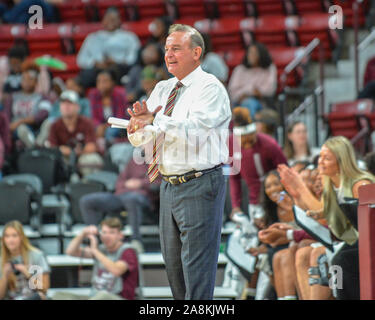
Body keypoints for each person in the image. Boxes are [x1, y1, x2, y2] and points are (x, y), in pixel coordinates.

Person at [126, 24, 231, 300]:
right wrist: (136, 130)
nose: (168, 55)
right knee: (175, 273)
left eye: (176, 48)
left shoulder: (211, 89)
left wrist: (155, 120)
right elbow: (149, 135)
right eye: (166, 49)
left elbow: (195, 132)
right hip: (168, 185)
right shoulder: (162, 88)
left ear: (196, 52)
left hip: (200, 182)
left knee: (196, 274)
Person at [278, 136, 375, 299]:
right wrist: (300, 198)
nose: (320, 161)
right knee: (316, 255)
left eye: (327, 158)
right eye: (321, 156)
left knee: (338, 260)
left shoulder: (361, 184)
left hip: (368, 240)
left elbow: (367, 221)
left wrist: (301, 188)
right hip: (352, 240)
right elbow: (328, 216)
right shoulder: (330, 184)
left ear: (341, 161)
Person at [79, 157, 160, 253]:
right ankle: (95, 241)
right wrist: (125, 185)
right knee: (87, 201)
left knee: (132, 199)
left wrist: (140, 183)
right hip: (121, 195)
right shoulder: (134, 161)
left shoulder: (160, 161)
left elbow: (160, 182)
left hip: (143, 196)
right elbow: (119, 181)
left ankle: (136, 241)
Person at [53, 217, 139, 300]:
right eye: (104, 232)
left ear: (120, 235)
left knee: (103, 296)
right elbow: (70, 251)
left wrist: (95, 250)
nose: (107, 236)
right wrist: (83, 234)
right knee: (59, 296)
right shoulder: (101, 249)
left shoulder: (128, 251)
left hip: (118, 297)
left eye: (111, 232)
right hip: (95, 296)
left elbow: (116, 270)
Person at [229, 107, 287, 222]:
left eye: (251, 141)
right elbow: (234, 177)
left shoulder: (269, 144)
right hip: (254, 201)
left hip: (276, 198)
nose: (248, 146)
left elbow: (285, 172)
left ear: (255, 133)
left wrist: (283, 199)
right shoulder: (231, 144)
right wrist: (236, 206)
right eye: (244, 142)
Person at [77, 7, 141, 88]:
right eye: (108, 18)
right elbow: (81, 60)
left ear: (120, 21)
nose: (111, 21)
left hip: (119, 68)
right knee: (84, 76)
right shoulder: (92, 37)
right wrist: (94, 63)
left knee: (114, 71)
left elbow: (133, 58)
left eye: (114, 19)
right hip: (97, 68)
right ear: (103, 21)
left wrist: (117, 61)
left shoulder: (129, 37)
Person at [47, 90, 103, 177]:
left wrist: (78, 152)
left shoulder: (86, 122)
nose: (66, 106)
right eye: (63, 103)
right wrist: (70, 152)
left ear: (77, 107)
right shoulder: (54, 125)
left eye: (70, 103)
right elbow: (52, 148)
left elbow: (91, 146)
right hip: (64, 157)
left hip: (83, 155)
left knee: (92, 159)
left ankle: (89, 185)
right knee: (52, 159)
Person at [0, 220, 50, 300]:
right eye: (7, 236)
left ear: (21, 237)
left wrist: (27, 273)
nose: (10, 240)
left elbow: (44, 290)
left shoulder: (36, 256)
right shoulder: (1, 260)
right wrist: (5, 276)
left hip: (32, 298)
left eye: (14, 236)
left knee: (40, 296)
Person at [228, 42, 277, 118]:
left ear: (261, 54)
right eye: (249, 53)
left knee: (249, 103)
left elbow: (269, 90)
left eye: (254, 53)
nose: (250, 56)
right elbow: (232, 92)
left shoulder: (269, 69)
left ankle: (251, 129)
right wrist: (250, 91)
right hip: (238, 102)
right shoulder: (239, 69)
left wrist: (246, 92)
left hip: (263, 103)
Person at [88, 69, 129, 147]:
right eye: (99, 81)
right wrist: (99, 126)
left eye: (105, 81)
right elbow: (94, 117)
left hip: (118, 125)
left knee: (110, 131)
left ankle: (109, 152)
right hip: (101, 125)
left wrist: (105, 126)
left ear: (112, 82)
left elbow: (120, 117)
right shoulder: (93, 94)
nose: (101, 84)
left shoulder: (120, 94)